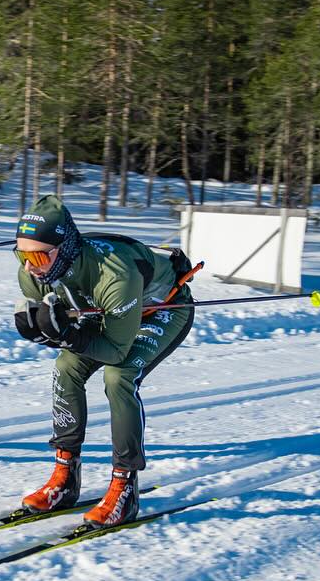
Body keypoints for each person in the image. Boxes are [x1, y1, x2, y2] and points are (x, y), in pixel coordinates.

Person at [12, 194, 197, 529]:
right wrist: (48, 334)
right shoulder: (33, 273)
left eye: (36, 256)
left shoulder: (114, 274)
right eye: (21, 254)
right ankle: (65, 475)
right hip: (106, 313)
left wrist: (67, 337)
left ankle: (125, 486)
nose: (28, 266)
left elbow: (114, 350)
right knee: (65, 368)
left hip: (161, 310)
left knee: (118, 376)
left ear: (65, 248)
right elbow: (60, 323)